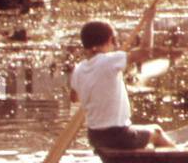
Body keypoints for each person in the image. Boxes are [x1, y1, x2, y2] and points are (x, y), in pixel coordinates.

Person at [70, 18, 180, 151]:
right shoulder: (109, 60)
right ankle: (181, 153)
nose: (115, 46)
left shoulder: (78, 69)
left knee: (145, 144)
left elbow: (74, 98)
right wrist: (149, 20)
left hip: (94, 136)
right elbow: (145, 51)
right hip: (118, 135)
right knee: (156, 131)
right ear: (110, 40)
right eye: (114, 41)